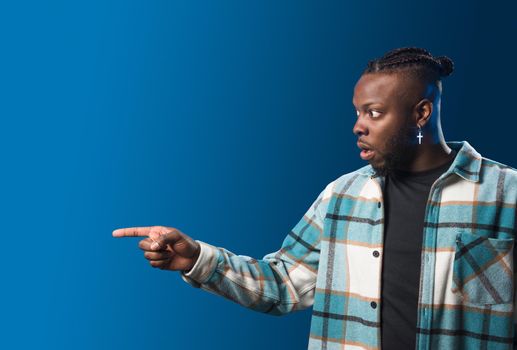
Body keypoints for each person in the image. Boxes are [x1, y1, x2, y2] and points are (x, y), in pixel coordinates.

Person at [113, 47, 517, 349]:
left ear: (421, 113)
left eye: (374, 113)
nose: (358, 126)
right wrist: (197, 258)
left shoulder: (507, 194)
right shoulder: (342, 196)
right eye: (357, 112)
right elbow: (285, 283)